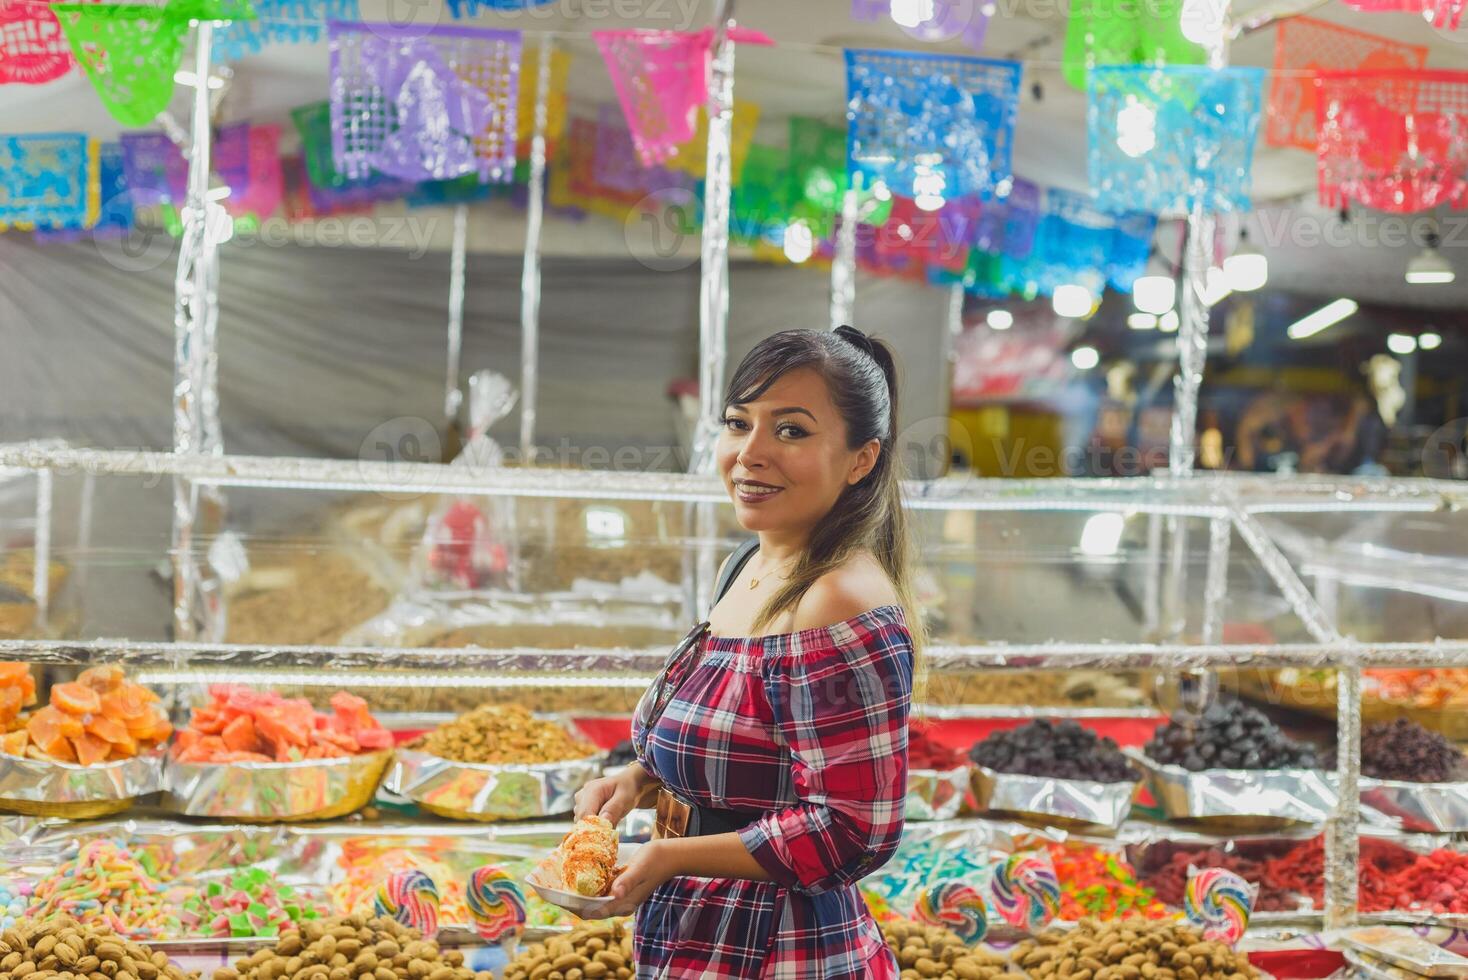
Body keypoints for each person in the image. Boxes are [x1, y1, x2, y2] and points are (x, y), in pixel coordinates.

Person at [572, 326, 921, 978]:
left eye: (791, 431)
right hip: (699, 932)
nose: (749, 454)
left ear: (860, 459)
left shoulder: (838, 603)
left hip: (779, 951)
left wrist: (672, 856)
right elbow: (748, 758)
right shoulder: (745, 568)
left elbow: (854, 831)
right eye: (738, 424)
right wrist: (639, 783)